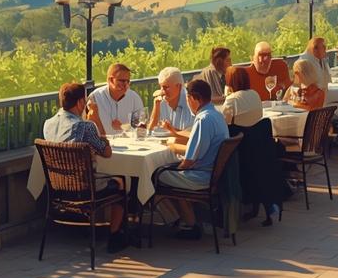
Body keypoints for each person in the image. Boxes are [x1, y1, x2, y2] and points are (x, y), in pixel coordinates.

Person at [41, 82, 132, 251]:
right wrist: (101, 136)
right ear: (81, 102)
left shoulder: (48, 124)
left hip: (58, 187)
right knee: (121, 182)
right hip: (85, 188)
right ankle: (115, 236)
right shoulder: (85, 126)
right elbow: (106, 152)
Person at [155, 79, 228, 240]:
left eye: (188, 98)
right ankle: (185, 220)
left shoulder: (203, 120)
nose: (187, 102)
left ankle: (183, 222)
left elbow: (190, 160)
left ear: (194, 98)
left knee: (154, 175)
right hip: (214, 174)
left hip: (202, 176)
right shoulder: (216, 114)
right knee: (169, 173)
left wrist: (175, 168)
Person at [87, 63, 144, 136]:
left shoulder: (134, 98)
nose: (126, 84)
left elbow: (141, 128)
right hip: (102, 145)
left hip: (129, 145)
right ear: (110, 80)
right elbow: (86, 126)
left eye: (128, 81)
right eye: (122, 81)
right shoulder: (95, 98)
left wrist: (123, 127)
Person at [222, 65, 264, 130]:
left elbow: (224, 124)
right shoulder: (255, 94)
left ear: (230, 81)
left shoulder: (231, 100)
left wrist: (228, 96)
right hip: (257, 136)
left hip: (240, 138)